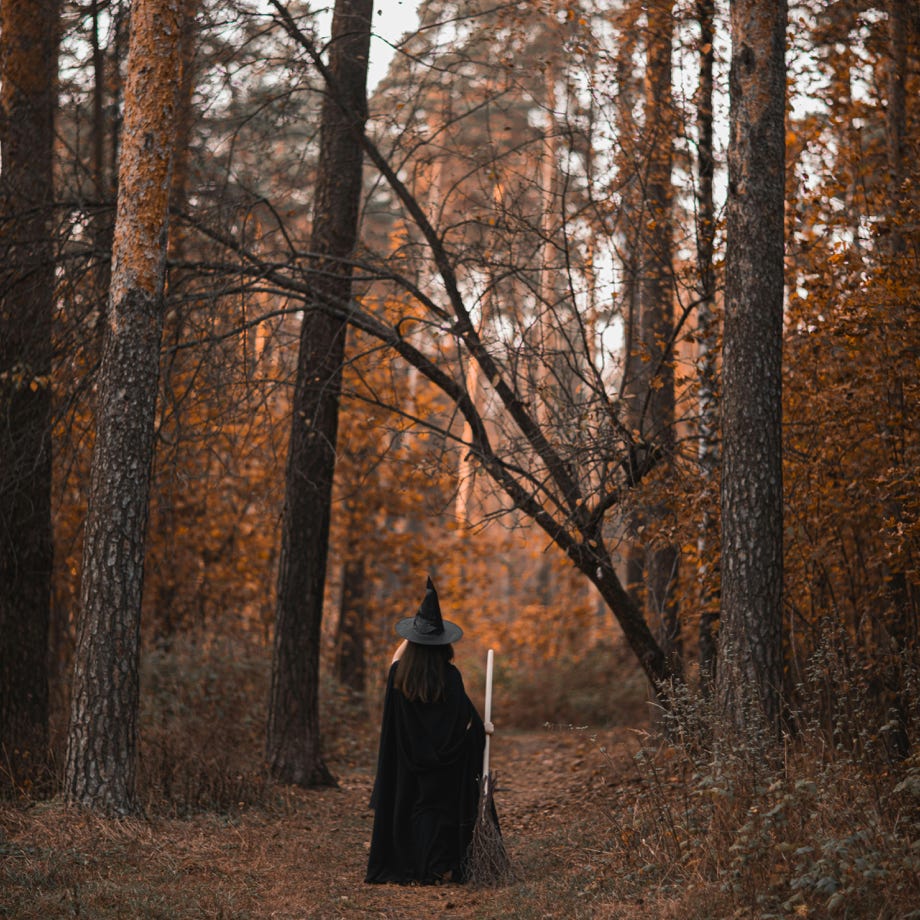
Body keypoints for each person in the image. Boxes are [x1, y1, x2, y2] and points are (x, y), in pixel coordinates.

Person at [365, 576, 493, 885]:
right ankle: (439, 865)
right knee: (439, 809)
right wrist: (483, 729)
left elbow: (398, 659)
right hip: (446, 767)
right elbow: (467, 723)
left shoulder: (399, 676)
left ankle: (418, 865)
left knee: (416, 808)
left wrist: (414, 633)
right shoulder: (450, 677)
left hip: (409, 765)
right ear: (444, 644)